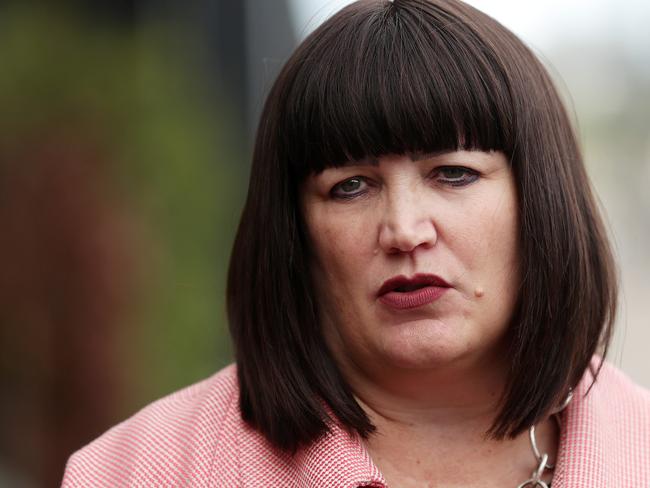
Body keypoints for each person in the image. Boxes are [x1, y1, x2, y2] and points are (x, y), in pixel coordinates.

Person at [62, 0, 650, 486]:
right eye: (350, 187)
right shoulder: (139, 469)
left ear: (539, 203)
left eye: (453, 174)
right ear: (294, 234)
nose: (403, 230)